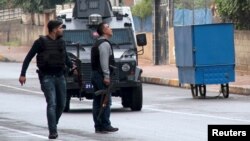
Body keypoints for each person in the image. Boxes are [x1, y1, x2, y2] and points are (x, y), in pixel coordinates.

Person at [19, 20, 76, 139]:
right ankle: (53, 131)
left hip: (60, 76)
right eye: (61, 28)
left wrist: (73, 67)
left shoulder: (61, 42)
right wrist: (23, 74)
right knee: (52, 103)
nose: (62, 30)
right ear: (54, 29)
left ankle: (53, 123)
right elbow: (28, 58)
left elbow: (65, 58)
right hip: (46, 77)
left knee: (62, 104)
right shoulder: (40, 42)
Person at [91, 22, 119, 133]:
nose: (111, 29)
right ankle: (105, 124)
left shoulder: (98, 43)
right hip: (100, 75)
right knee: (106, 100)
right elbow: (104, 62)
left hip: (96, 74)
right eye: (108, 27)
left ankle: (99, 126)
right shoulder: (104, 44)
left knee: (98, 101)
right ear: (103, 31)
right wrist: (106, 76)